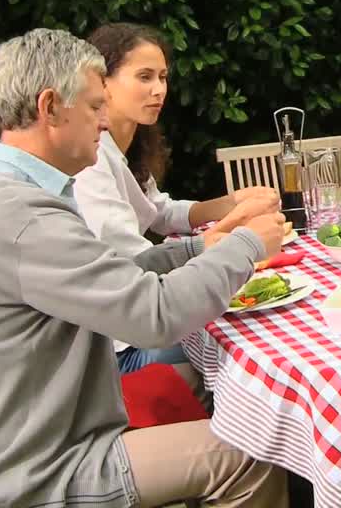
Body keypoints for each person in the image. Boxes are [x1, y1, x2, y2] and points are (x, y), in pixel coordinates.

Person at [0, 28, 288, 508]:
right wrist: (245, 245)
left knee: (220, 389)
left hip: (7, 445)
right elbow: (153, 316)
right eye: (95, 106)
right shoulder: (23, 218)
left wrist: (197, 249)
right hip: (35, 471)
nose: (104, 121)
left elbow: (115, 274)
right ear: (50, 107)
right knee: (252, 451)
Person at [74, 22, 279, 373]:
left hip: (142, 323)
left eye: (163, 77)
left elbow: (161, 210)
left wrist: (233, 202)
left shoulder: (126, 146)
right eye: (144, 77)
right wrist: (233, 236)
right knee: (261, 344)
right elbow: (141, 266)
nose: (159, 90)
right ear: (102, 82)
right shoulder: (91, 165)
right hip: (121, 351)